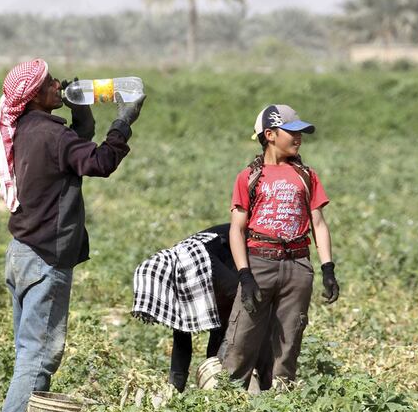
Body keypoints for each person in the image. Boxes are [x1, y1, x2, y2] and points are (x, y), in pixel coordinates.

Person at [0, 59, 145, 412]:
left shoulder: (29, 128)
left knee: (26, 349)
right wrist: (123, 121)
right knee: (39, 354)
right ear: (33, 96)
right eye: (50, 83)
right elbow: (99, 162)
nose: (58, 84)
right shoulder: (51, 134)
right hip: (46, 257)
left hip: (22, 252)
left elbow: (75, 150)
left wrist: (82, 112)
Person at [220, 104, 340, 388]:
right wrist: (245, 275)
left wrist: (328, 268)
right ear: (270, 134)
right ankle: (226, 402)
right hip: (260, 261)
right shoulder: (249, 177)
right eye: (292, 132)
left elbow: (319, 224)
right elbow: (237, 229)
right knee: (241, 340)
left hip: (297, 264)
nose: (299, 138)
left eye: (301, 133)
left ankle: (281, 405)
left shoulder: (306, 176)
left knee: (289, 340)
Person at [133, 224, 272, 392]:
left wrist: (227, 359)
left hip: (246, 250)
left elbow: (242, 302)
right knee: (217, 344)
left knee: (242, 322)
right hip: (220, 274)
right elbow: (182, 340)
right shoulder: (177, 277)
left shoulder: (203, 265)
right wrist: (174, 389)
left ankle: (266, 386)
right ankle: (223, 389)